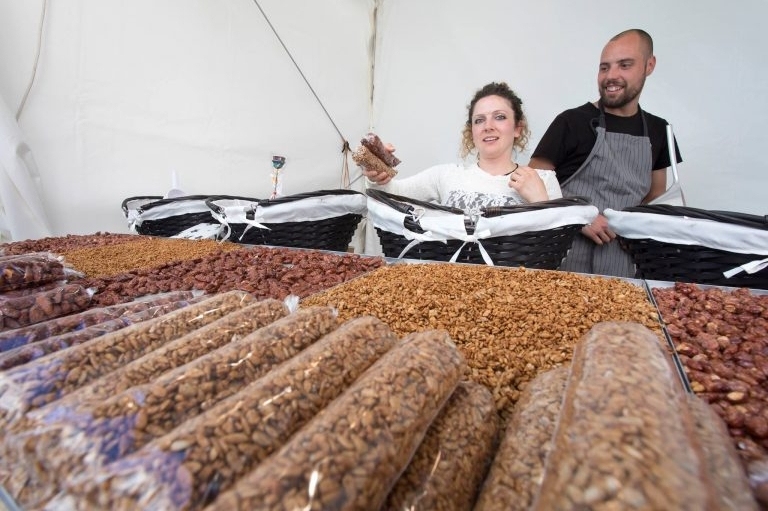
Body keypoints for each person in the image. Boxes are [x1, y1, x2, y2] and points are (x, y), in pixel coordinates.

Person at [529, 29, 682, 278]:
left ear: (649, 65)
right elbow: (531, 182)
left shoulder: (659, 131)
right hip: (564, 258)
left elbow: (655, 196)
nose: (611, 76)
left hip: (624, 263)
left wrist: (632, 228)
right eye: (604, 67)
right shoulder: (571, 122)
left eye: (624, 65)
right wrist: (579, 215)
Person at [362, 82, 562, 213]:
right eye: (479, 120)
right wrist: (378, 174)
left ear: (518, 128)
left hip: (515, 278)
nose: (488, 126)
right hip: (455, 278)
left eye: (499, 117)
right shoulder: (446, 175)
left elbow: (557, 246)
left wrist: (540, 200)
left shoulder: (542, 180)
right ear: (471, 132)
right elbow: (393, 194)